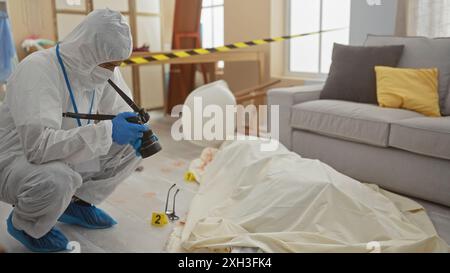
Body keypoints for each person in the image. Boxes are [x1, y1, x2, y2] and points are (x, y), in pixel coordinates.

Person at [0, 9, 151, 252]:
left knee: (133, 146)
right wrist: (107, 132)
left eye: (117, 65)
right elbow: (38, 147)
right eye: (109, 64)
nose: (112, 71)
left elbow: (119, 108)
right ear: (88, 50)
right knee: (58, 178)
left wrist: (135, 125)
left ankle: (76, 203)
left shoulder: (100, 68)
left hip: (65, 151)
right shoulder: (38, 69)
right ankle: (26, 224)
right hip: (17, 160)